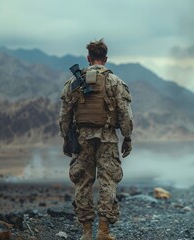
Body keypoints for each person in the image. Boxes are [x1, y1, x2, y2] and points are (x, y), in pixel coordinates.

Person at [59, 39, 133, 240]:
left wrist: (66, 138)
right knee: (108, 181)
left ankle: (85, 233)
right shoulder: (116, 82)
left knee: (83, 182)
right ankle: (103, 232)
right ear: (106, 59)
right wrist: (127, 137)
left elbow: (65, 115)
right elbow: (125, 115)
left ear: (88, 58)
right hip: (107, 138)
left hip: (82, 138)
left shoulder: (73, 83)